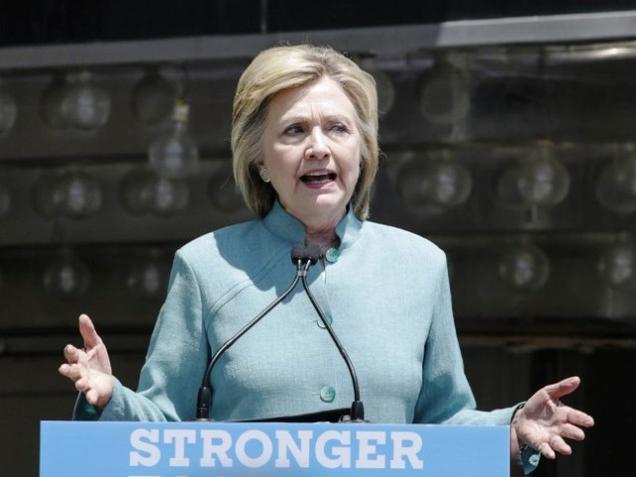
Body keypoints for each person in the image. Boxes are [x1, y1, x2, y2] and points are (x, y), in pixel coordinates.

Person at [59, 44, 594, 473]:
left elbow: (442, 425)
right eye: (295, 130)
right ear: (260, 161)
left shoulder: (420, 265)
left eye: (337, 129)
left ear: (362, 151)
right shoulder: (205, 267)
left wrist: (513, 428)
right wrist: (111, 398)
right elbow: (166, 431)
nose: (319, 146)